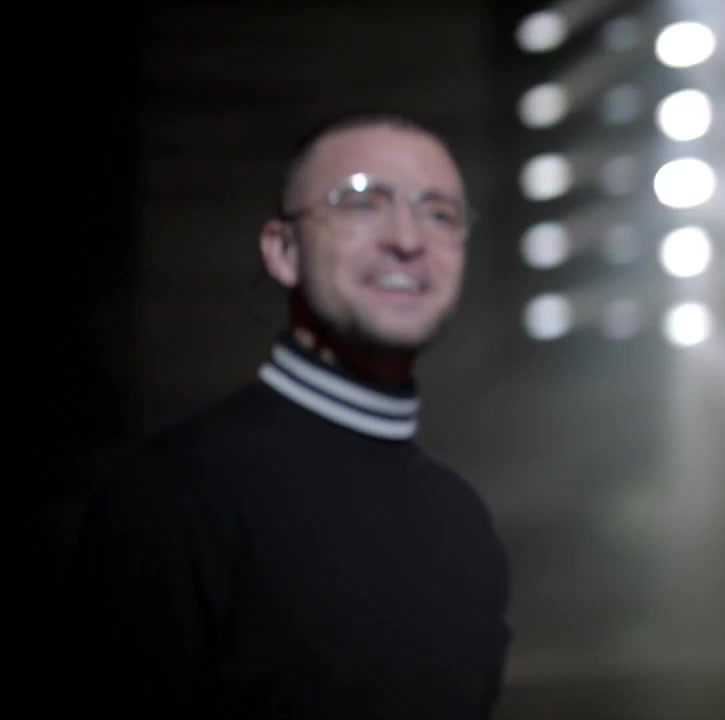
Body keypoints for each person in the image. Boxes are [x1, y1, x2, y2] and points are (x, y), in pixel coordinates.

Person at [64, 113, 511, 718]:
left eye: (439, 213)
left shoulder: (464, 521)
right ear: (283, 250)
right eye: (362, 203)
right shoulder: (171, 496)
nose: (407, 239)